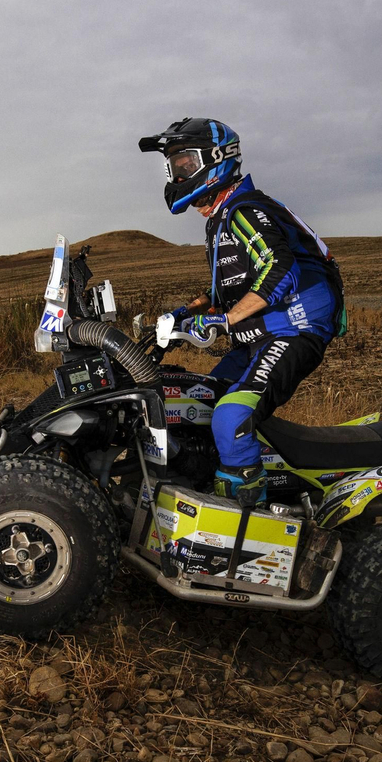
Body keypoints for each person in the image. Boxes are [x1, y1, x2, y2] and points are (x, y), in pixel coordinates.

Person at [138, 117, 345, 508]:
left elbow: (280, 269)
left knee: (231, 417)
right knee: (199, 404)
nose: (176, 174)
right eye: (172, 167)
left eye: (183, 163)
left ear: (216, 158)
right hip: (259, 335)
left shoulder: (246, 209)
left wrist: (226, 321)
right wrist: (182, 314)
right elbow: (225, 293)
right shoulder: (220, 219)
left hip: (293, 328)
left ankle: (248, 521)